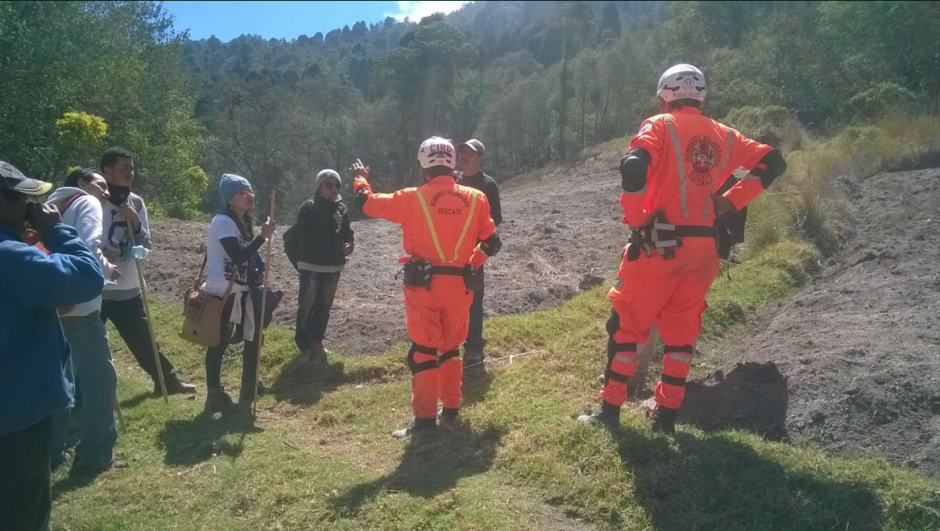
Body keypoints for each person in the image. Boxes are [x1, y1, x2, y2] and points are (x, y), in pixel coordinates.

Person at [578, 64, 787, 434]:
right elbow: (774, 161)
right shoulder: (725, 134)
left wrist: (637, 219)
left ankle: (609, 412)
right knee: (680, 337)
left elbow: (633, 167)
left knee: (625, 328)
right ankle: (666, 417)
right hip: (704, 248)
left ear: (664, 96)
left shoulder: (658, 125)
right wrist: (733, 200)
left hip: (659, 243)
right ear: (702, 96)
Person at [350, 137, 501, 438]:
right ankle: (453, 410)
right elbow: (492, 241)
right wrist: (473, 263)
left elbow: (364, 203)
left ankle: (424, 422)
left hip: (424, 286)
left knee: (423, 351)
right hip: (460, 286)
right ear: (452, 164)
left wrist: (360, 179)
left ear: (422, 166)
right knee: (450, 349)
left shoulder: (412, 198)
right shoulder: (477, 198)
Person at [0, 161, 104, 530]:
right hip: (16, 411)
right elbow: (86, 278)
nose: (28, 208)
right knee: (24, 511)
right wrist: (56, 230)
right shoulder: (9, 256)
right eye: (21, 200)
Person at [47, 168, 127, 474]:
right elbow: (90, 249)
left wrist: (107, 268)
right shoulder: (87, 203)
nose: (106, 193)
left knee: (61, 380)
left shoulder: (53, 205)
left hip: (51, 305)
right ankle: (95, 455)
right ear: (82, 184)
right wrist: (99, 274)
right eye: (101, 186)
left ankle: (52, 450)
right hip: (79, 307)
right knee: (100, 380)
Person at [97, 147, 196, 395]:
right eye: (123, 168)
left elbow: (145, 248)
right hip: (96, 287)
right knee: (88, 343)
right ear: (107, 172)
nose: (130, 173)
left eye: (132, 168)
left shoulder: (136, 202)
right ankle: (78, 393)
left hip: (128, 285)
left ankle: (167, 382)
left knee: (143, 338)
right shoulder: (92, 202)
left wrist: (136, 224)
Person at [203, 174, 277, 412]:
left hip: (243, 290)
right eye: (243, 192)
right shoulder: (224, 222)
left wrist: (257, 271)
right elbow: (237, 256)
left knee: (254, 338)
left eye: (250, 191)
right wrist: (262, 237)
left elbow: (248, 257)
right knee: (219, 342)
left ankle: (249, 385)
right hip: (224, 291)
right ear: (230, 199)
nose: (249, 196)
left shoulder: (241, 221)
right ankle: (213, 393)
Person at [293, 169, 354, 363]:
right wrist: (330, 223)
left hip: (333, 265)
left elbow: (347, 233)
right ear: (319, 186)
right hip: (310, 264)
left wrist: (349, 245)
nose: (334, 188)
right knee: (306, 306)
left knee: (324, 306)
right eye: (329, 184)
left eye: (337, 185)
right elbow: (305, 234)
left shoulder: (342, 209)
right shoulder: (308, 207)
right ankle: (303, 347)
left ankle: (316, 342)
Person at [456, 139, 502, 377]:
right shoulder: (452, 181)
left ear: (480, 157)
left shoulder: (488, 185)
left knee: (474, 301)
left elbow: (496, 220)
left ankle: (473, 349)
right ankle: (448, 347)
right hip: (448, 251)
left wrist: (472, 231)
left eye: (468, 152)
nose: (463, 155)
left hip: (474, 254)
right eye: (461, 151)